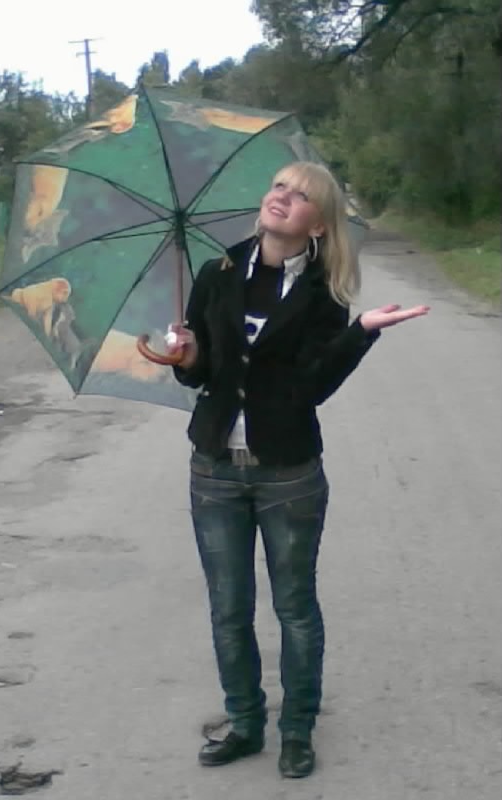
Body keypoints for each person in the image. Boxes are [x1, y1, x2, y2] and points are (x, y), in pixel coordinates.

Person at [168, 161, 429, 779]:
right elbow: (200, 376)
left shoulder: (323, 294)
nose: (282, 197)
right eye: (279, 186)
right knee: (229, 608)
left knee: (294, 607)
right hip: (214, 470)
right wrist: (186, 355)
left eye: (301, 195)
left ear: (318, 225)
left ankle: (296, 730)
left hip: (288, 473)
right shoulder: (216, 273)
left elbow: (313, 387)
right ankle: (245, 723)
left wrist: (360, 332)